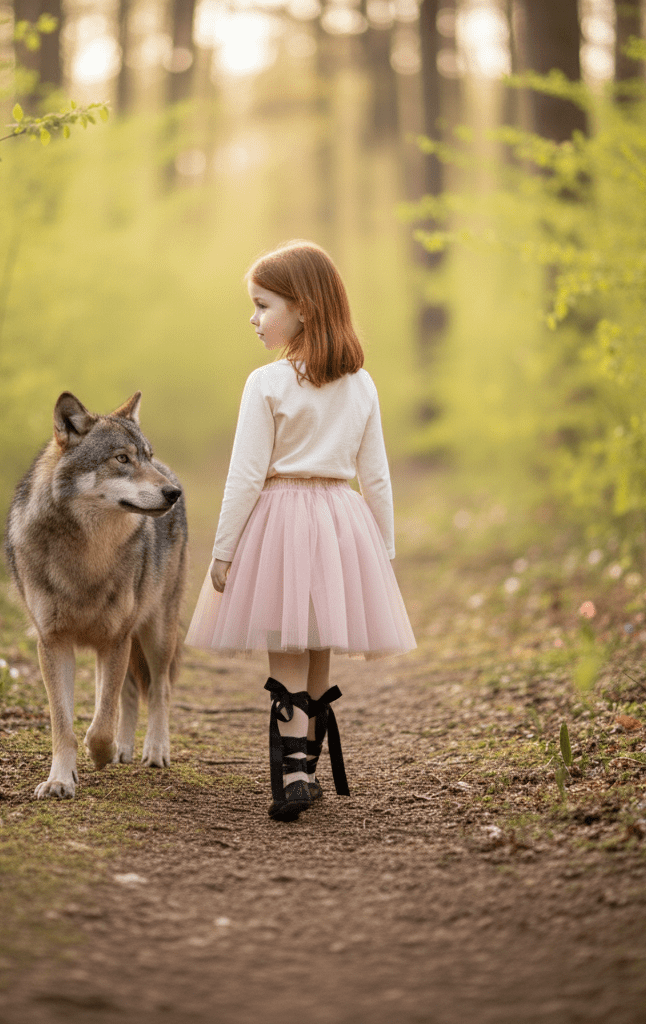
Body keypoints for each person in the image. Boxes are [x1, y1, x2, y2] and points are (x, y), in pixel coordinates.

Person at [185, 240, 416, 822]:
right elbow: (377, 478)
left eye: (264, 305)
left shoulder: (266, 383)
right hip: (341, 519)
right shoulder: (360, 384)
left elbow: (245, 476)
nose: (254, 319)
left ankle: (292, 772)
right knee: (317, 644)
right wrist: (382, 547)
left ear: (304, 307)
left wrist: (224, 549)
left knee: (286, 643)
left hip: (281, 517)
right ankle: (304, 767)